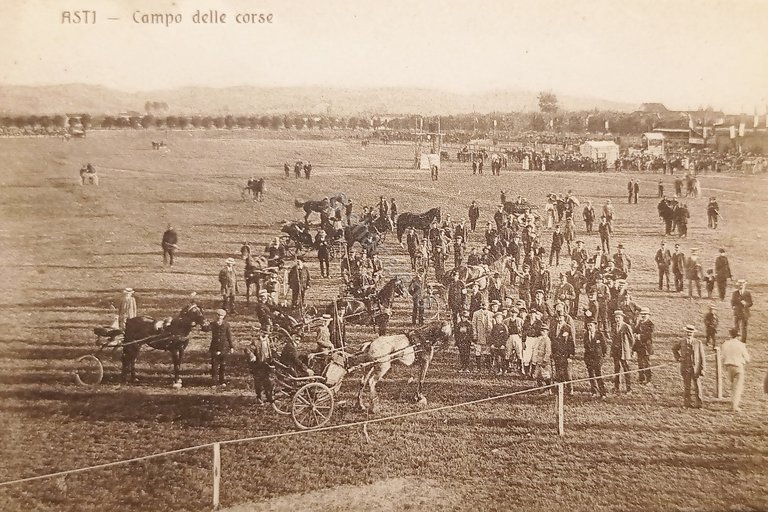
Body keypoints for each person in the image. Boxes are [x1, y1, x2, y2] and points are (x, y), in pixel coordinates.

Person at [672, 325, 706, 408]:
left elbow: (702, 357)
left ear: (693, 333)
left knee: (697, 386)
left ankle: (699, 404)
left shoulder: (698, 343)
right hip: (685, 367)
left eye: (691, 332)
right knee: (687, 386)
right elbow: (674, 349)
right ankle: (687, 404)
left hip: (696, 368)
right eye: (688, 332)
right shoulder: (682, 341)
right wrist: (678, 358)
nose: (689, 334)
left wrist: (703, 369)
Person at [720, 328, 751, 412]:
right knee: (737, 387)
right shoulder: (741, 345)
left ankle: (733, 403)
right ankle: (734, 406)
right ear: (737, 336)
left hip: (729, 367)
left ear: (730, 335)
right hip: (738, 367)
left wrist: (724, 365)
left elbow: (722, 357)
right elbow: (747, 359)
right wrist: (743, 361)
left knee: (733, 386)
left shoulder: (725, 344)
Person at [245, 328, 274, 404]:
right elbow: (247, 349)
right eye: (264, 333)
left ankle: (269, 398)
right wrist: (252, 356)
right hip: (258, 365)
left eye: (267, 334)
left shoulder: (268, 340)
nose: (266, 335)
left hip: (267, 364)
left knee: (268, 382)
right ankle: (259, 398)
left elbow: (270, 350)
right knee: (259, 383)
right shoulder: (256, 342)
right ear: (261, 332)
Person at [551, 311, 575, 394]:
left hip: (565, 353)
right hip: (556, 352)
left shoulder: (568, 327)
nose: (559, 319)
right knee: (558, 371)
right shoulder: (554, 327)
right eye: (558, 317)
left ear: (564, 318)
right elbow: (552, 340)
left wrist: (570, 355)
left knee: (567, 372)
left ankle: (570, 389)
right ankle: (560, 388)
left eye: (561, 317)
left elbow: (571, 342)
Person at [611, 310, 634, 394]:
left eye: (619, 317)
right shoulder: (614, 326)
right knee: (616, 369)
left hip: (624, 351)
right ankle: (617, 387)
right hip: (615, 351)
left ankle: (629, 388)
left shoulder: (626, 326)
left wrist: (630, 350)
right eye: (616, 317)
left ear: (622, 318)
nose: (617, 319)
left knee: (626, 369)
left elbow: (632, 340)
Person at [208, 309, 233, 387]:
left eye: (221, 315)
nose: (219, 317)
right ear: (215, 316)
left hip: (224, 347)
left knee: (223, 365)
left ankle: (222, 381)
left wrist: (231, 346)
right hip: (214, 347)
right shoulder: (212, 324)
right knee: (214, 366)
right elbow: (205, 329)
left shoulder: (226, 325)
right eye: (218, 315)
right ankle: (213, 382)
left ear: (224, 316)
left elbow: (229, 336)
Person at [583, 320, 607, 398]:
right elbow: (585, 346)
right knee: (591, 375)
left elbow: (604, 346)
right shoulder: (586, 335)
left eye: (591, 325)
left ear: (595, 326)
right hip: (589, 358)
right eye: (588, 326)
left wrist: (602, 355)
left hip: (598, 358)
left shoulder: (599, 334)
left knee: (598, 374)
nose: (589, 327)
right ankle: (594, 391)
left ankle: (603, 393)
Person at [633, 307, 654, 385]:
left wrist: (639, 336)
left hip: (646, 347)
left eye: (645, 314)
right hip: (639, 346)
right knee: (640, 363)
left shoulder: (650, 324)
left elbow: (649, 335)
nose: (643, 316)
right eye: (642, 314)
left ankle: (648, 379)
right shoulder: (640, 323)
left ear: (648, 315)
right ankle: (641, 379)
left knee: (646, 363)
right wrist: (635, 334)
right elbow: (635, 330)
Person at [532, 325, 552, 389]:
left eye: (544, 331)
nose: (542, 332)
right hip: (538, 359)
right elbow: (535, 349)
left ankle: (549, 388)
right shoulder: (539, 338)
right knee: (537, 375)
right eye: (541, 330)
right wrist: (534, 359)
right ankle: (540, 387)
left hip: (544, 360)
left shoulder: (547, 340)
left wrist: (545, 360)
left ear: (547, 332)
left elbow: (548, 351)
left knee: (546, 375)